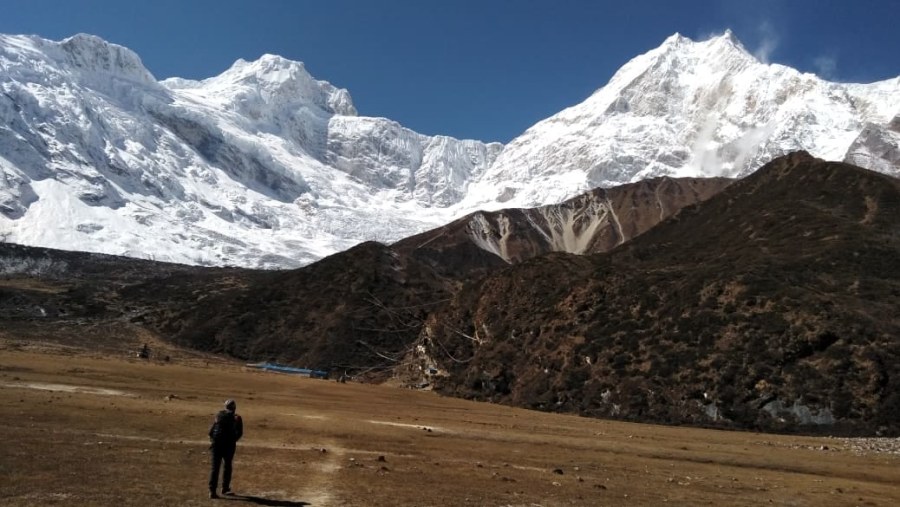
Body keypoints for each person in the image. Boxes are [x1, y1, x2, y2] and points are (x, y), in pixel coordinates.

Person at [208, 399, 243, 498]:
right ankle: (225, 487)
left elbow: (211, 431)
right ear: (234, 408)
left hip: (216, 445)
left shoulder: (219, 416)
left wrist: (213, 440)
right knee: (227, 466)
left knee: (215, 468)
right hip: (228, 446)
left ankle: (212, 491)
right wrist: (232, 440)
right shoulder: (236, 418)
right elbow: (239, 433)